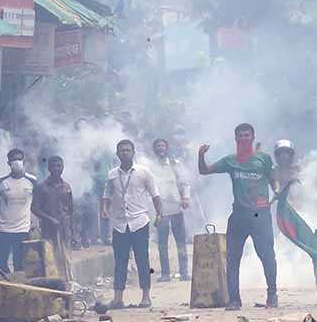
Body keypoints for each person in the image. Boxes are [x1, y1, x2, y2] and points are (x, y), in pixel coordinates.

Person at [199, 123, 278, 310]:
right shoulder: (230, 161)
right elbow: (204, 170)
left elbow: (272, 178)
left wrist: (276, 190)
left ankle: (272, 295)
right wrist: (201, 155)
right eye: (240, 135)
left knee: (267, 256)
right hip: (239, 215)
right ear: (236, 139)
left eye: (246, 135)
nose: (243, 138)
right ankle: (234, 300)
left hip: (260, 214)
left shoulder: (263, 159)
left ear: (252, 137)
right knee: (233, 258)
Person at [102, 139, 163, 309]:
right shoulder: (112, 174)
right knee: (120, 261)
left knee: (142, 260)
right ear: (117, 154)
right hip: (119, 224)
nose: (125, 153)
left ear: (133, 152)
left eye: (128, 150)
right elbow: (106, 195)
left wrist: (159, 213)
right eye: (122, 150)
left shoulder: (144, 172)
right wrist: (104, 209)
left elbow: (155, 195)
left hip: (139, 222)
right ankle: (118, 298)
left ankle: (146, 297)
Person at [149, 138, 191, 282]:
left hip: (176, 208)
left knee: (181, 242)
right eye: (158, 146)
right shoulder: (149, 166)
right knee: (162, 244)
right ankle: (165, 274)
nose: (160, 148)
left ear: (167, 148)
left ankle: (184, 273)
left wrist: (185, 198)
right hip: (160, 210)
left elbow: (184, 182)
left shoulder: (175, 164)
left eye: (163, 145)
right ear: (154, 149)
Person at [0, 148, 37, 274]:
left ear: (24, 161)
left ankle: (17, 287)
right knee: (0, 261)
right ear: (8, 163)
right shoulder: (1, 182)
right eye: (13, 160)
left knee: (20, 264)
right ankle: (9, 280)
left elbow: (37, 204)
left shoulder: (32, 181)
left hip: (23, 229)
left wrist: (35, 221)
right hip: (4, 228)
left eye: (19, 159)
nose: (16, 162)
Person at [31, 155, 75, 281]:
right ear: (49, 168)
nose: (56, 169)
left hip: (65, 230)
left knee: (66, 259)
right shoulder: (41, 187)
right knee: (51, 259)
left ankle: (68, 284)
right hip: (48, 230)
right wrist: (50, 219)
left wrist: (74, 233)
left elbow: (71, 211)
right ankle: (56, 285)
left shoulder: (67, 186)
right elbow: (34, 208)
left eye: (59, 166)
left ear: (63, 167)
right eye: (53, 166)